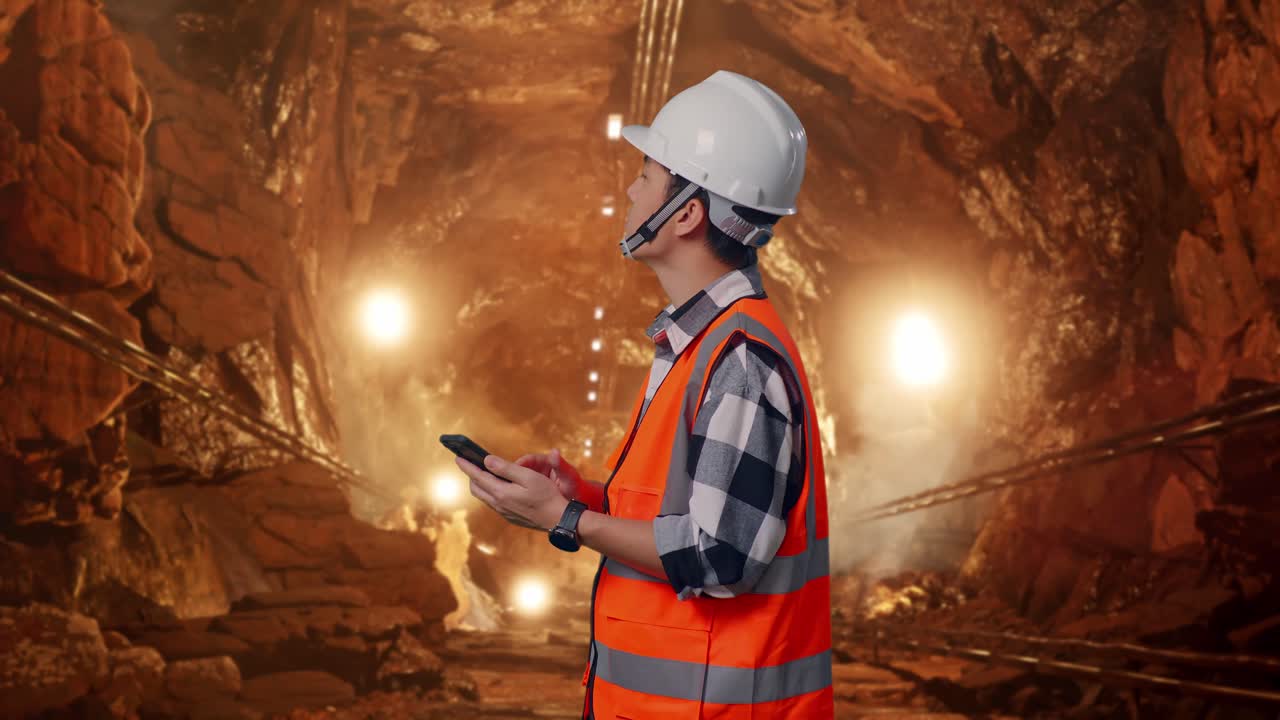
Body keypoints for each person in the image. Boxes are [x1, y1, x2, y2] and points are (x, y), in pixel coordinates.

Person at [455, 69, 833, 718]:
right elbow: (688, 512)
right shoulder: (700, 343)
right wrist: (586, 496)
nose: (631, 190)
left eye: (647, 175)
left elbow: (720, 556)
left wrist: (565, 520)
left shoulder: (739, 360)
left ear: (686, 213)